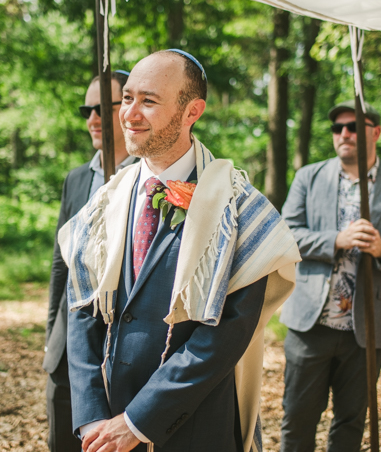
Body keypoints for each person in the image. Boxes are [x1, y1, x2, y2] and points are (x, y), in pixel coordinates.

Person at [58, 50, 301, 452]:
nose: (129, 114)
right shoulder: (104, 203)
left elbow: (227, 335)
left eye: (148, 101)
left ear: (192, 111)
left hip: (197, 428)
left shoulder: (239, 208)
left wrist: (138, 422)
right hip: (106, 430)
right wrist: (91, 419)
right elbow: (82, 310)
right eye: (128, 98)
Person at [278, 100, 381, 452]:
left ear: (375, 132)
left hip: (366, 330)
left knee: (350, 424)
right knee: (297, 419)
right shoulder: (309, 177)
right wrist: (335, 239)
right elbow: (285, 234)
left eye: (353, 127)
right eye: (337, 128)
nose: (343, 133)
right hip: (309, 324)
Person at [43, 71, 137, 452]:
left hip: (124, 348)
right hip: (68, 347)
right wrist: (53, 335)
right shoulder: (76, 179)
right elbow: (59, 266)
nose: (92, 119)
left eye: (101, 108)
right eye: (87, 110)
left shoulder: (151, 179)